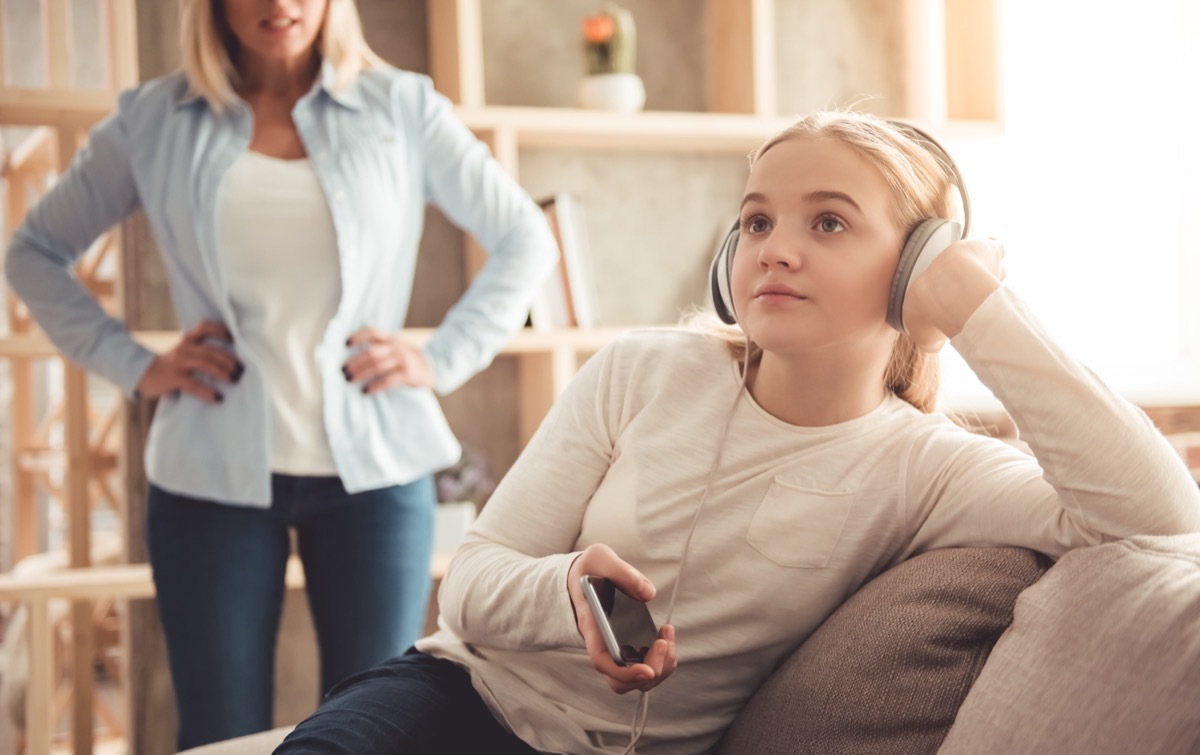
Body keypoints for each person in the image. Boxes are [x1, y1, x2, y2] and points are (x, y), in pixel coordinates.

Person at [271, 109, 1200, 755]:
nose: (775, 249)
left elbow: (1162, 515)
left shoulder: (928, 469)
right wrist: (567, 594)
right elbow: (473, 583)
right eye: (756, 220)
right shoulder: (643, 369)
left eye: (827, 221)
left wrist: (978, 308)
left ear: (914, 267)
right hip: (458, 698)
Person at [4, 0, 558, 750]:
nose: (279, 5)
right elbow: (33, 252)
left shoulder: (402, 106)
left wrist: (441, 356)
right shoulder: (154, 119)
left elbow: (526, 237)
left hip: (376, 476)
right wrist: (136, 366)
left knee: (373, 730)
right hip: (208, 477)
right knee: (220, 734)